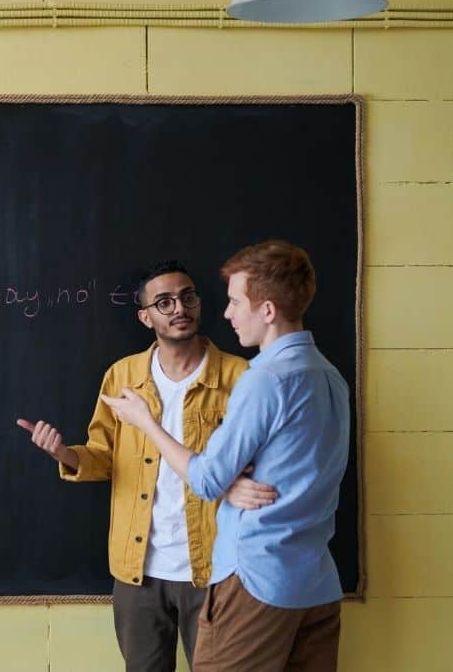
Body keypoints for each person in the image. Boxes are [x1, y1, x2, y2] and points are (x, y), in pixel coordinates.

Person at [101, 240, 349, 672]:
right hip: (317, 583)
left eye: (235, 301)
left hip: (258, 579)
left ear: (267, 311)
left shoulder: (262, 379)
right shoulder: (329, 376)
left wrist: (147, 423)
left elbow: (205, 479)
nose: (228, 312)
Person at [18, 261, 267, 672]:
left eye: (187, 297)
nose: (178, 309)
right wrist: (64, 453)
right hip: (139, 574)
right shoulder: (122, 377)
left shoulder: (239, 377)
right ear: (145, 316)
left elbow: (260, 466)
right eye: (164, 302)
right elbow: (105, 456)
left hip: (216, 570)